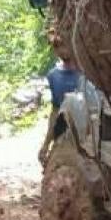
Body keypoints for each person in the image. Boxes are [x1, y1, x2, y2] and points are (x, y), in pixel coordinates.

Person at [38, 37, 83, 167]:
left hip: (86, 131)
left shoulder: (85, 73)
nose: (62, 51)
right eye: (57, 47)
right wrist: (46, 144)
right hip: (62, 130)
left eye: (64, 45)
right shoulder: (53, 76)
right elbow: (56, 110)